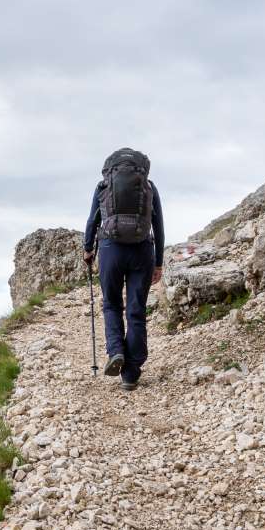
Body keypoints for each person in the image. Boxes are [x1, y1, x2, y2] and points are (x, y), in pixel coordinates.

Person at [82, 148, 164, 390]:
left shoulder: (102, 187)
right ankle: (131, 372)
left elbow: (92, 220)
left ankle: (116, 351)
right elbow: (158, 226)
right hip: (142, 251)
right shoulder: (149, 187)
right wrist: (158, 262)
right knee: (136, 311)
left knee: (112, 304)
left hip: (111, 250)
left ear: (110, 170)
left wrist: (88, 249)